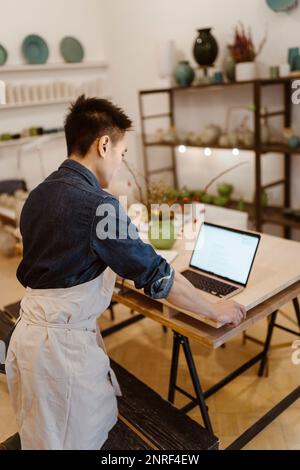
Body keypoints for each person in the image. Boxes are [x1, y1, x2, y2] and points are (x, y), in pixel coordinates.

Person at [4, 96, 246, 450]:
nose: (120, 162)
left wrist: (105, 263)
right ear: (104, 144)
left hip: (30, 341)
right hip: (61, 354)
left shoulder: (38, 195)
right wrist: (215, 307)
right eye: (122, 153)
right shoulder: (98, 205)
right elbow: (158, 276)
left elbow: (57, 262)